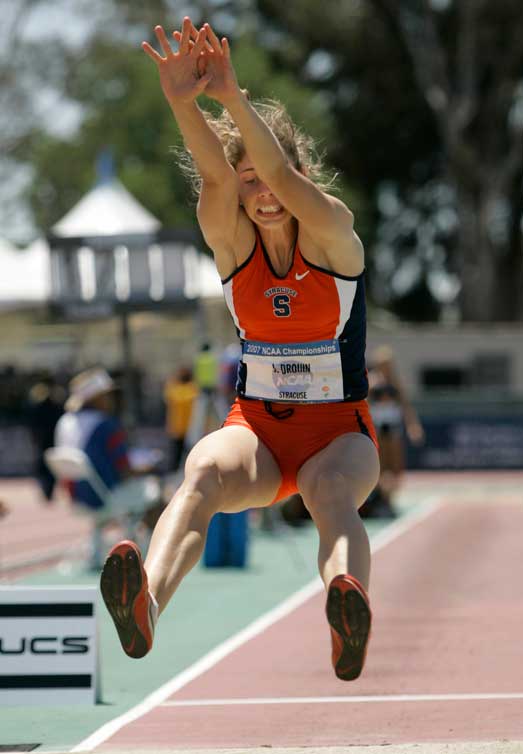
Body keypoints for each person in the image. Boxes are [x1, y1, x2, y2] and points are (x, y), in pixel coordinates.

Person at [100, 18, 380, 682]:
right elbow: (215, 180)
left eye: (270, 179)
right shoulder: (231, 247)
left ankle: (348, 609)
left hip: (339, 430)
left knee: (330, 494)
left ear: (299, 176)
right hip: (255, 425)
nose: (260, 194)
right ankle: (148, 604)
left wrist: (231, 97)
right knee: (199, 473)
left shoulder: (333, 234)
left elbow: (281, 177)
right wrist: (182, 102)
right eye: (247, 182)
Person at [54, 367, 162, 568]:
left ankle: (108, 549)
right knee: (157, 491)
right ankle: (156, 554)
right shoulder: (105, 424)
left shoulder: (64, 422)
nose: (111, 399)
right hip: (105, 497)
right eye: (106, 395)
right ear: (96, 398)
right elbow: (124, 471)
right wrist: (148, 467)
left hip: (76, 497)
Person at [361, 345, 425, 518]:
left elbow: (405, 405)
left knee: (395, 465)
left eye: (388, 364)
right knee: (380, 465)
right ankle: (380, 500)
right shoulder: (372, 381)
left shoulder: (396, 382)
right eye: (383, 364)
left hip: (393, 425)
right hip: (378, 425)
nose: (386, 367)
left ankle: (389, 498)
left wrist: (413, 426)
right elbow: (363, 403)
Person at [26, 375, 65, 503]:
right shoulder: (50, 402)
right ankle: (47, 492)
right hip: (47, 439)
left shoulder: (46, 403)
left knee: (46, 467)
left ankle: (47, 492)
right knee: (46, 467)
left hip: (48, 439)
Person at [163, 365, 199, 472]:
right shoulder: (192, 390)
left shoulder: (174, 390)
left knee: (176, 458)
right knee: (185, 457)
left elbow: (168, 391)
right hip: (185, 430)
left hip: (178, 430)